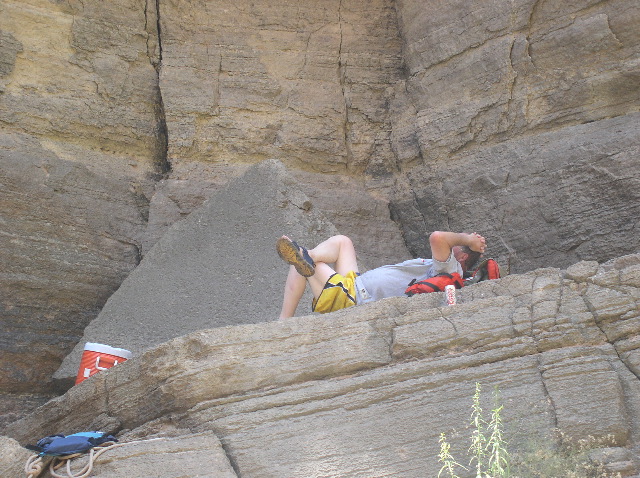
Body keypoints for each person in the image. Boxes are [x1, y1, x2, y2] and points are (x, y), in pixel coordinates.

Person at [276, 231, 486, 319]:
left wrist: (468, 239)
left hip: (356, 298)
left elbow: (438, 237)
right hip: (357, 285)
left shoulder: (451, 269)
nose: (453, 243)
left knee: (301, 261)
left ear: (461, 256)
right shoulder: (436, 265)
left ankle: (284, 321)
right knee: (343, 242)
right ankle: (307, 256)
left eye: (457, 245)